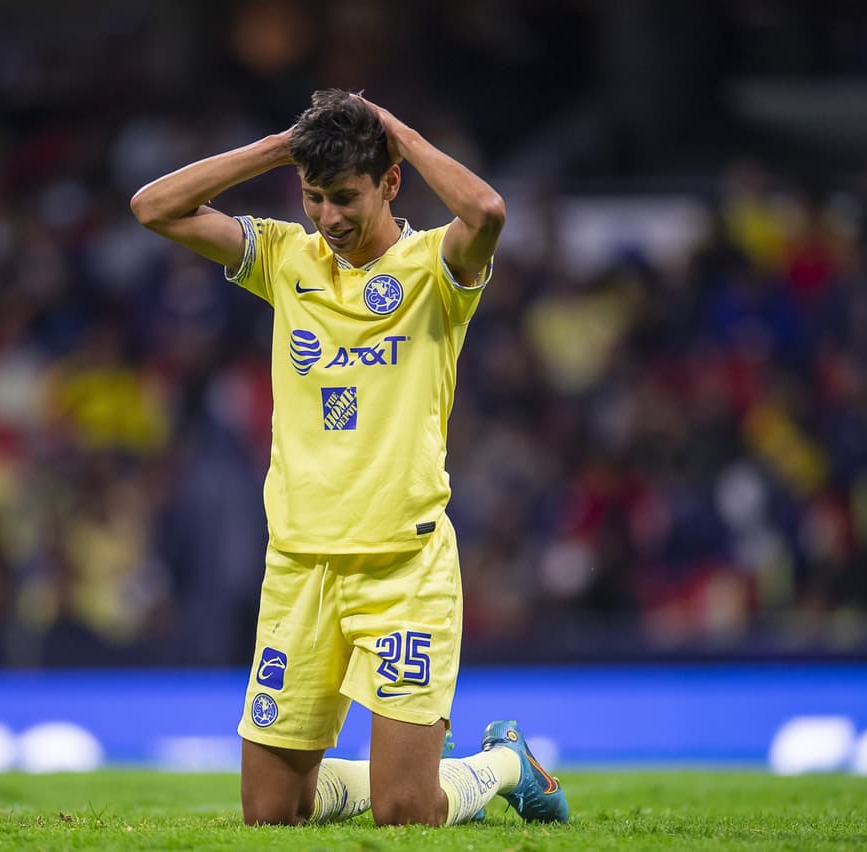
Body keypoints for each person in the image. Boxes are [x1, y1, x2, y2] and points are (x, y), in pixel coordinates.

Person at [131, 89, 569, 827]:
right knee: (271, 813)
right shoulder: (282, 255)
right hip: (301, 566)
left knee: (406, 812)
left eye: (344, 197)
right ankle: (435, 764)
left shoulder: (437, 269)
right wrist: (279, 146)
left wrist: (397, 130)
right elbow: (154, 207)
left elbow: (487, 211)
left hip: (402, 566)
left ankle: (503, 765)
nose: (328, 218)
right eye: (313, 196)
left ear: (390, 182)